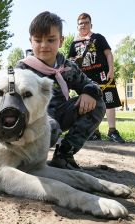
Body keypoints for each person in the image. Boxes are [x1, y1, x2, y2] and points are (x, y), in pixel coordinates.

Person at [16, 11, 105, 170]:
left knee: (97, 103)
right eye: (38, 40)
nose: (44, 45)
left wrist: (88, 92)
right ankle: (24, 160)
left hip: (61, 113)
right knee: (50, 126)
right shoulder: (23, 69)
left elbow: (91, 83)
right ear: (31, 41)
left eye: (51, 40)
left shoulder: (67, 67)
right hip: (34, 119)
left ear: (61, 41)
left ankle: (64, 154)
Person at [68, 13, 125, 143]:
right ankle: (95, 132)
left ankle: (112, 131)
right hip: (86, 79)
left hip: (103, 75)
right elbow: (70, 60)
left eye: (86, 22)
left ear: (91, 24)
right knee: (91, 104)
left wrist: (111, 69)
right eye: (81, 23)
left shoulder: (98, 38)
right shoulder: (74, 44)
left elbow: (108, 54)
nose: (83, 25)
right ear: (77, 27)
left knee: (109, 102)